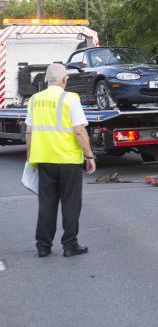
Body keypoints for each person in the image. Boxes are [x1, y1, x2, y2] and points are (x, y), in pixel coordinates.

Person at [25, 64, 96, 258]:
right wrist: (89, 155)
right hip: (68, 160)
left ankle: (43, 246)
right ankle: (70, 245)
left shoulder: (35, 100)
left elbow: (29, 132)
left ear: (46, 79)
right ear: (65, 80)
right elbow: (80, 131)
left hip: (43, 159)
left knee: (46, 203)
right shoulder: (70, 99)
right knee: (70, 203)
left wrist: (30, 156)